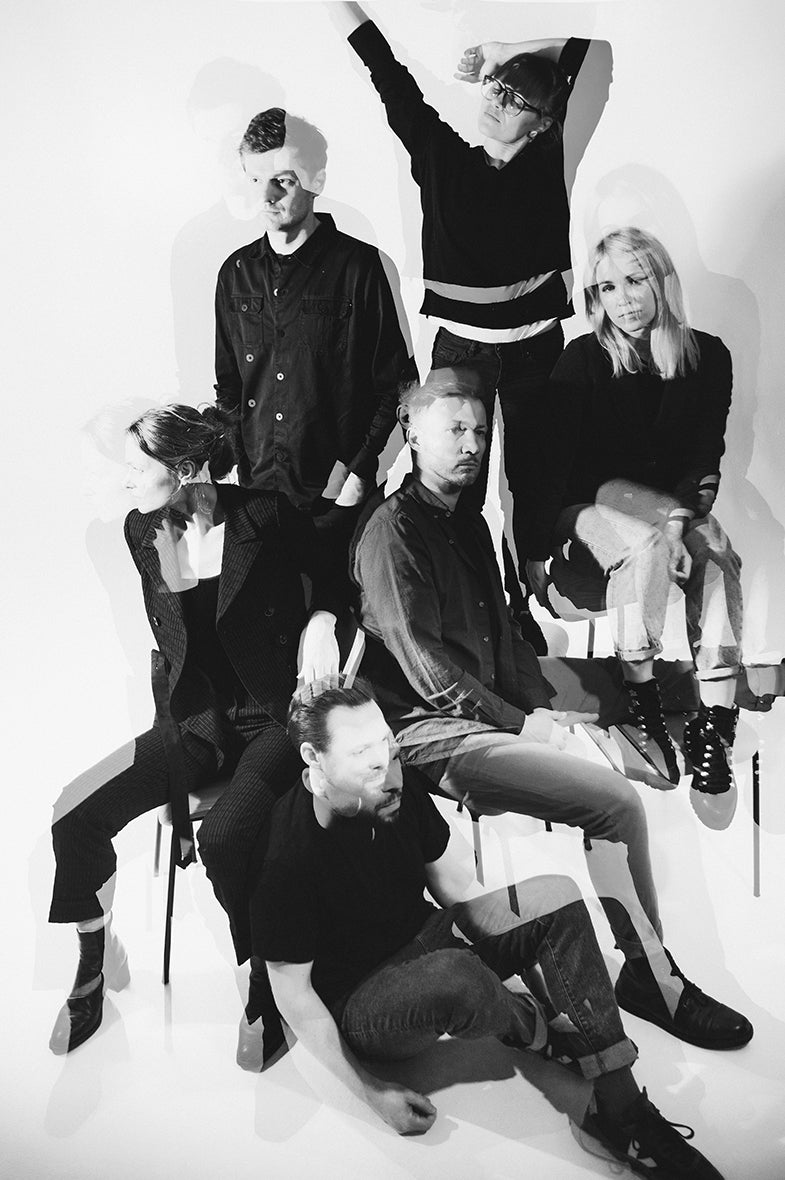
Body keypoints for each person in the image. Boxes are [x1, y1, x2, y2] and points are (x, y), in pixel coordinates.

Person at [350, 368, 753, 1054]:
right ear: (411, 434)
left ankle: (676, 735)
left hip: (493, 702)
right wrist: (522, 723)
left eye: (480, 431)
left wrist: (539, 709)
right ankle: (651, 978)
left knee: (640, 690)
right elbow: (427, 669)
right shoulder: (392, 532)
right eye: (454, 429)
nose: (471, 443)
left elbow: (506, 635)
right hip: (432, 731)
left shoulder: (469, 522)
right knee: (615, 805)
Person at [254, 680, 724, 1178]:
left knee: (557, 895)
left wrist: (529, 957)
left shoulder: (397, 789)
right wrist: (372, 1094)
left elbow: (456, 887)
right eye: (368, 764)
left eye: (390, 752)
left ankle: (621, 1110)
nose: (390, 776)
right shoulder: (286, 858)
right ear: (315, 759)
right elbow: (295, 999)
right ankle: (536, 1032)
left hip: (424, 938)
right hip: (364, 1002)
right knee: (457, 977)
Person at [48, 404, 346, 1058]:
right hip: (195, 724)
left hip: (274, 718)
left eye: (137, 468)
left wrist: (323, 620)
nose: (127, 480)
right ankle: (96, 958)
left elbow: (334, 575)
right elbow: (172, 649)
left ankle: (265, 976)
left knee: (229, 834)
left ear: (184, 470)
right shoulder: (140, 529)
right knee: (74, 813)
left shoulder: (263, 514)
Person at [331, 2, 602, 646]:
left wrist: (502, 50)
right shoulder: (440, 156)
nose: (497, 102)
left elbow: (584, 48)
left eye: (516, 99)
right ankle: (464, 612)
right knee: (453, 485)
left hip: (537, 351)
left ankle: (524, 607)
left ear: (543, 122)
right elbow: (388, 77)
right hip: (462, 352)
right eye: (496, 89)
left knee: (535, 488)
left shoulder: (546, 160)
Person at [525, 228, 744, 829]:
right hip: (588, 510)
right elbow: (549, 465)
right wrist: (535, 549)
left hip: (670, 509)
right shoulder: (583, 359)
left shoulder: (709, 356)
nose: (621, 299)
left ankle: (715, 723)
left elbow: (704, 453)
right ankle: (643, 699)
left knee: (717, 549)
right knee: (644, 544)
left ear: (661, 281)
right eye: (607, 287)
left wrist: (677, 520)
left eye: (634, 281)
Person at [213, 106, 416, 551]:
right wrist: (238, 466)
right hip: (257, 495)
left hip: (336, 498)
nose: (267, 196)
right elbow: (229, 386)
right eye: (256, 179)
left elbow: (397, 384)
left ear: (316, 180)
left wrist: (360, 472)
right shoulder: (234, 273)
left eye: (283, 181)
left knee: (337, 597)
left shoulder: (361, 268)